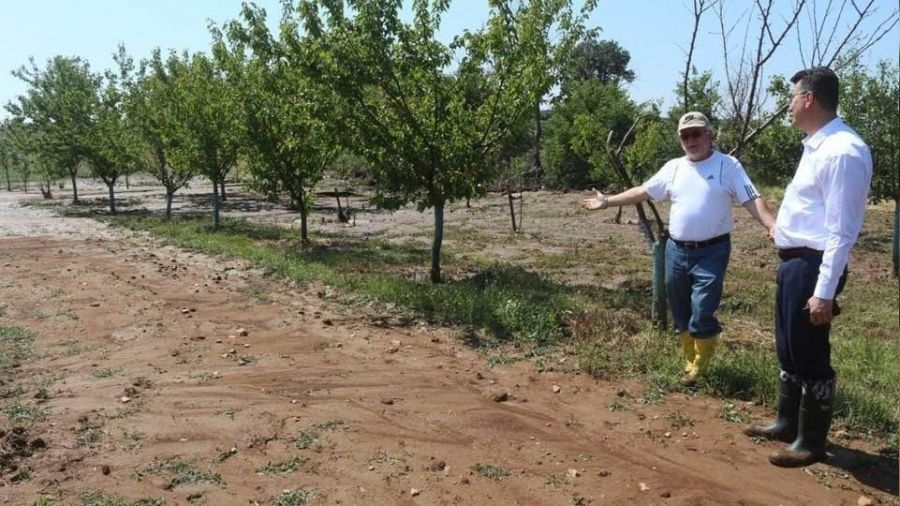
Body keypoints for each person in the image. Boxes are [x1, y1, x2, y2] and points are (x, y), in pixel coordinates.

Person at [582, 111, 775, 385]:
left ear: (710, 135)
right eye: (685, 135)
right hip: (676, 249)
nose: (691, 140)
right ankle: (689, 355)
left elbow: (751, 198)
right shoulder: (674, 167)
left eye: (697, 133)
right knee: (680, 306)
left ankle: (702, 361)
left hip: (712, 250)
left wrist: (771, 225)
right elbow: (644, 191)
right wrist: (608, 201)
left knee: (702, 305)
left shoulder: (727, 165)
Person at [744, 67, 872, 468]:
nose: (788, 103)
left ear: (809, 99)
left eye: (792, 96)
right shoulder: (816, 144)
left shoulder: (843, 151)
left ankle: (811, 440)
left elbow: (841, 231)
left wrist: (824, 292)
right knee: (789, 347)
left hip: (815, 266)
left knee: (810, 352)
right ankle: (786, 422)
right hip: (794, 261)